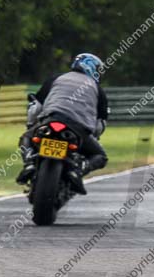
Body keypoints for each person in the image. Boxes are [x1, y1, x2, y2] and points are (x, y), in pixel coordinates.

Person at [15, 53, 109, 195]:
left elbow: (35, 107)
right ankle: (78, 170)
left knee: (26, 138)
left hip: (50, 121)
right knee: (100, 156)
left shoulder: (56, 78)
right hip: (78, 130)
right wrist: (94, 137)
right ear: (92, 68)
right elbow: (99, 125)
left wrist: (30, 126)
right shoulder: (98, 90)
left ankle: (28, 163)